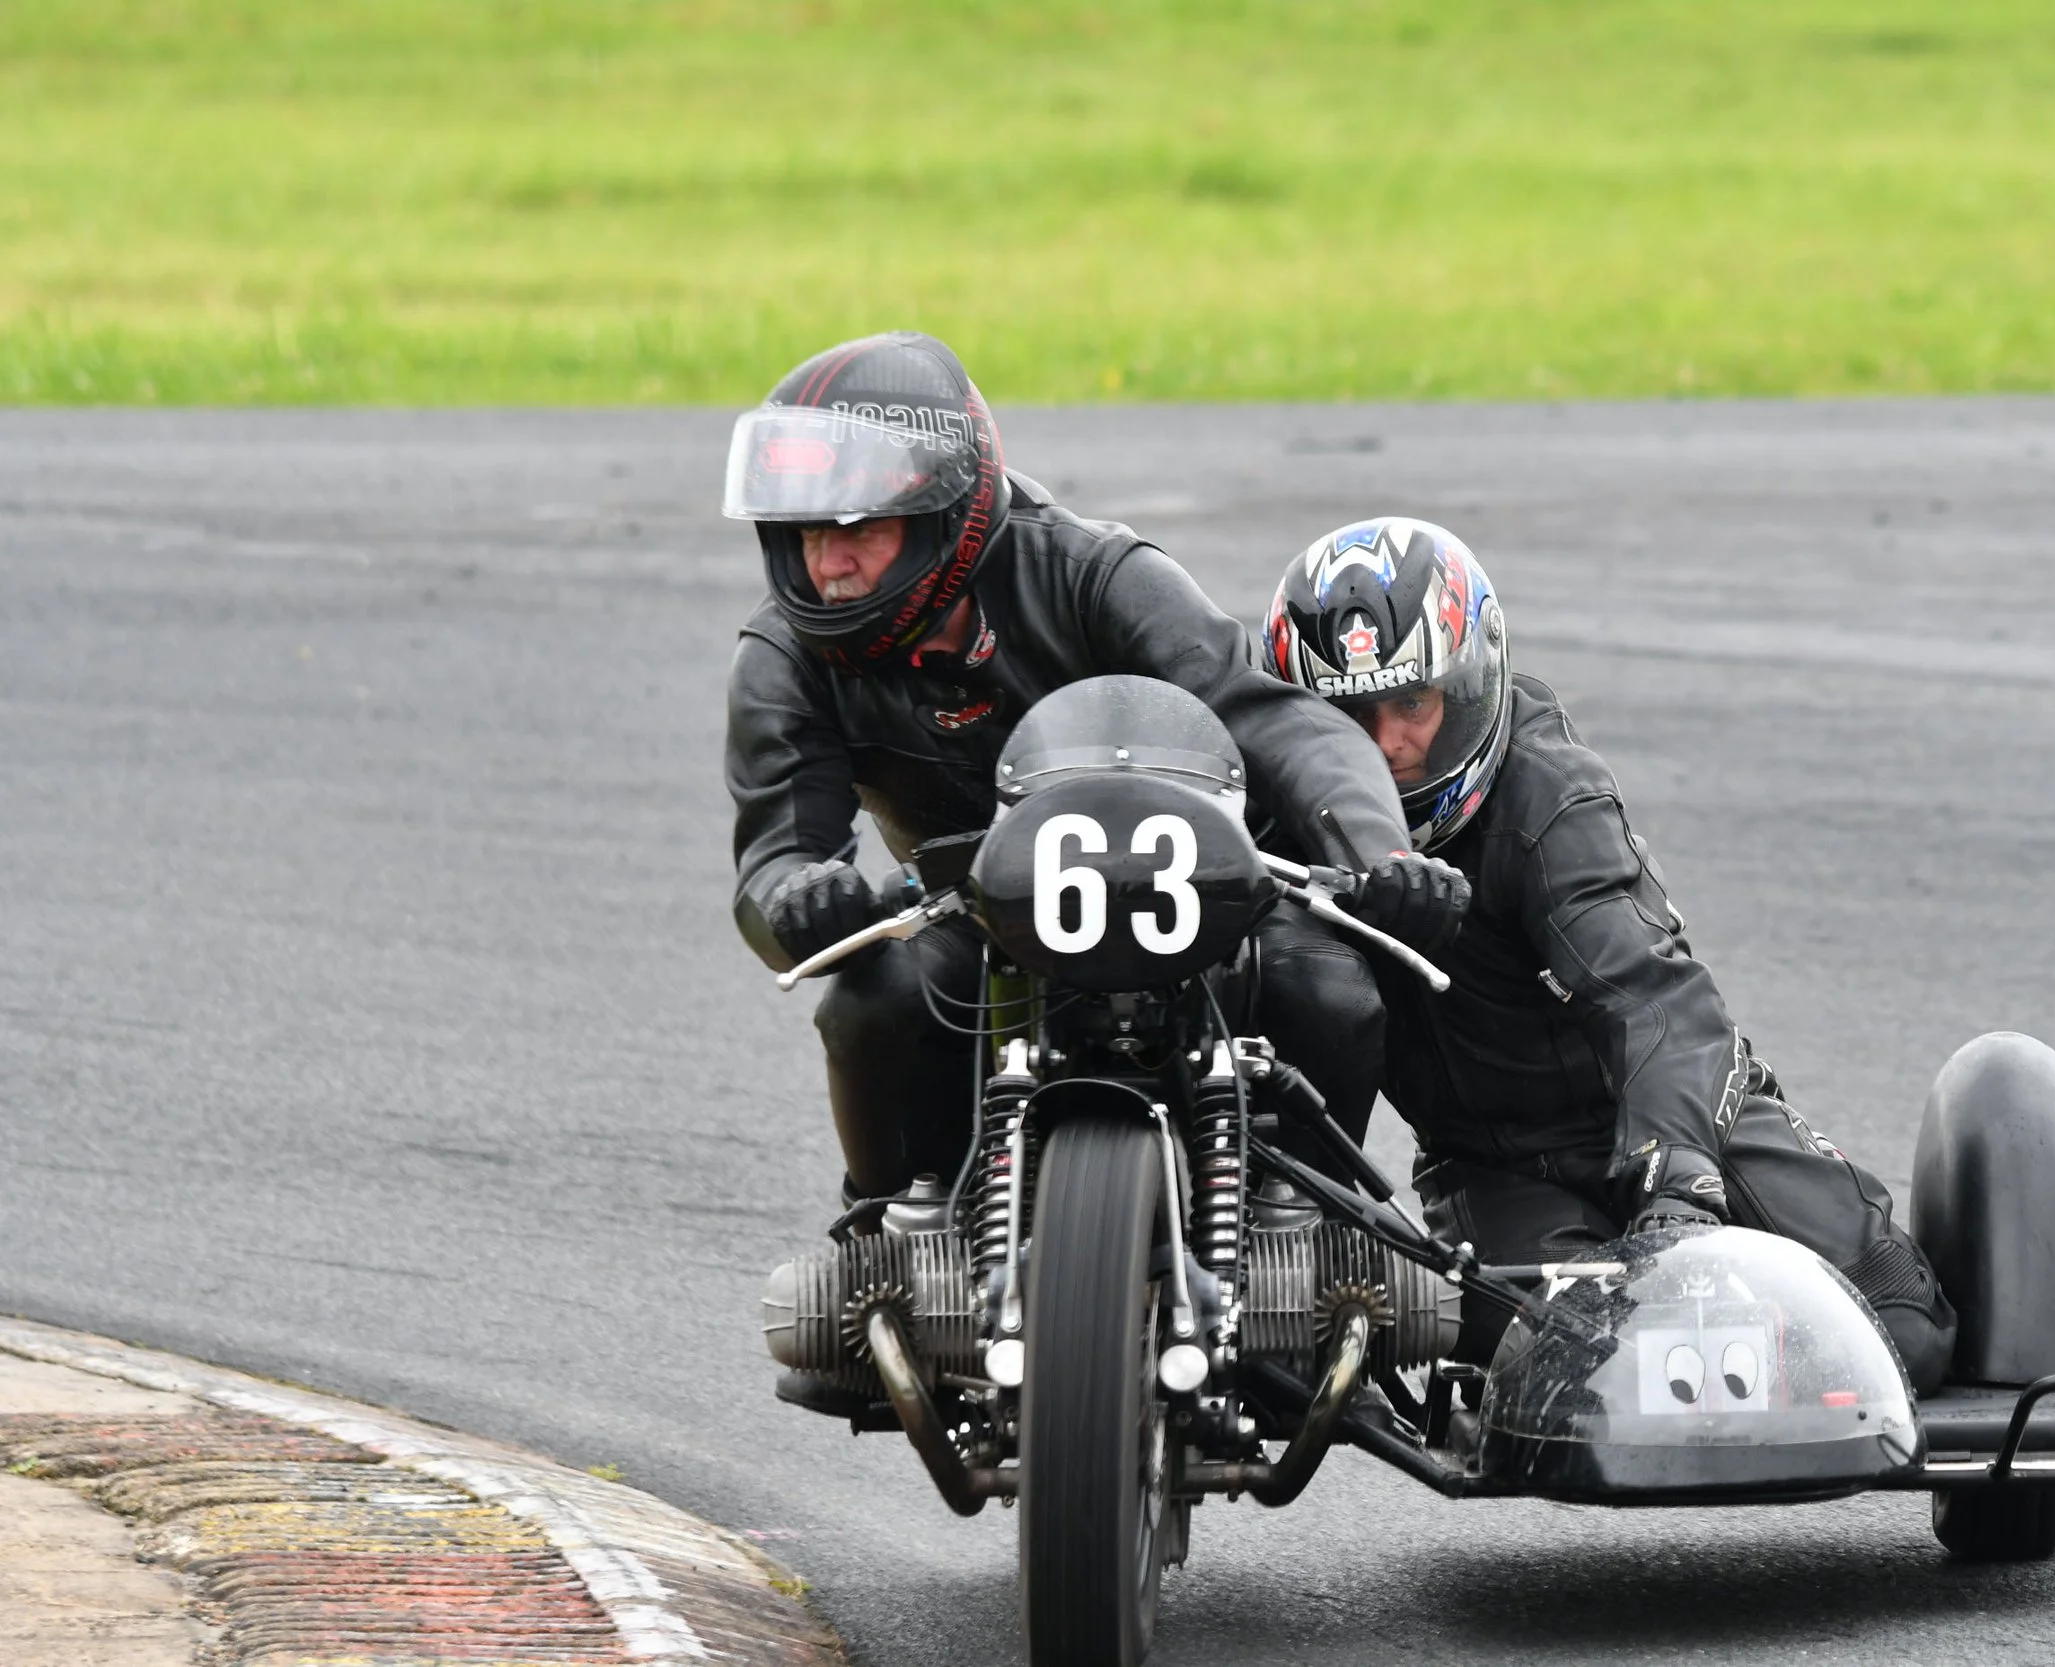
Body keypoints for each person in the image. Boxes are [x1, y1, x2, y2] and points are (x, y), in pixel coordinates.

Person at [721, 332, 1467, 1211]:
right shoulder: (784, 656)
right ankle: (888, 1226)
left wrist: (1382, 855)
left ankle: (1305, 1222)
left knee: (1329, 988)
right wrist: (801, 899)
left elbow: (1275, 719)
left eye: (858, 528)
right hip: (976, 907)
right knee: (865, 1004)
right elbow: (774, 856)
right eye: (807, 532)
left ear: (943, 517)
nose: (827, 565)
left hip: (1192, 886)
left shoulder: (1095, 574)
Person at [1261, 516, 1958, 1390]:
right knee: (1587, 1363)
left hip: (1683, 1116)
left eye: (1412, 705)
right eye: (1351, 718)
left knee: (1902, 1331)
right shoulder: (1275, 827)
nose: (1388, 744)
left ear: (1466, 687)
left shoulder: (1546, 791)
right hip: (1493, 1166)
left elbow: (1650, 992)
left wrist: (1680, 1182)